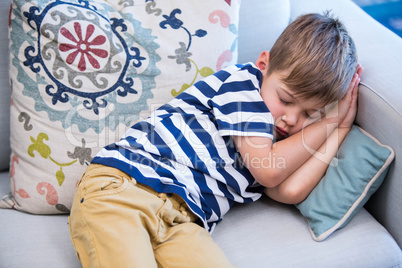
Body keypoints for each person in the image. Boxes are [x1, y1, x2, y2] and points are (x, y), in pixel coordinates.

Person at [69, 12, 364, 267]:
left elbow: (288, 189)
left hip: (184, 219)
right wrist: (328, 121)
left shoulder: (274, 141)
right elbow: (269, 170)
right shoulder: (243, 86)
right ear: (264, 64)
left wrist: (337, 130)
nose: (291, 119)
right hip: (125, 188)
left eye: (309, 113)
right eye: (286, 100)